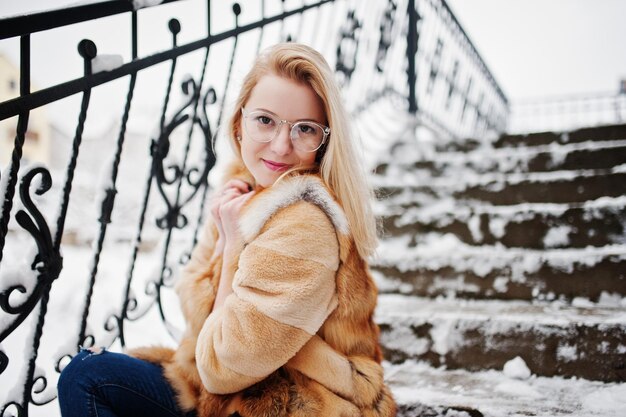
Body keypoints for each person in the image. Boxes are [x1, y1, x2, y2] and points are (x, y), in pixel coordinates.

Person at [57, 43, 397, 417]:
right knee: (89, 376)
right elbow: (198, 312)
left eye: (305, 129)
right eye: (265, 121)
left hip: (294, 403)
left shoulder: (306, 224)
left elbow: (221, 367)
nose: (281, 145)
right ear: (239, 123)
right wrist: (226, 238)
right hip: (218, 392)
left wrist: (232, 245)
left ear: (324, 142)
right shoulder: (244, 192)